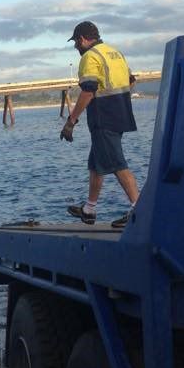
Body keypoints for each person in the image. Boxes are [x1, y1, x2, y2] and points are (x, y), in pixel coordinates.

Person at [60, 21, 140, 228]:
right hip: (120, 114)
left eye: (76, 43)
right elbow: (131, 81)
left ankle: (139, 210)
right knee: (96, 164)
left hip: (104, 118)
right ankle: (89, 209)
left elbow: (88, 91)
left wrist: (71, 121)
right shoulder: (115, 53)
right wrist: (119, 100)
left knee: (117, 164)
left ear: (82, 39)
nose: (76, 47)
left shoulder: (90, 57)